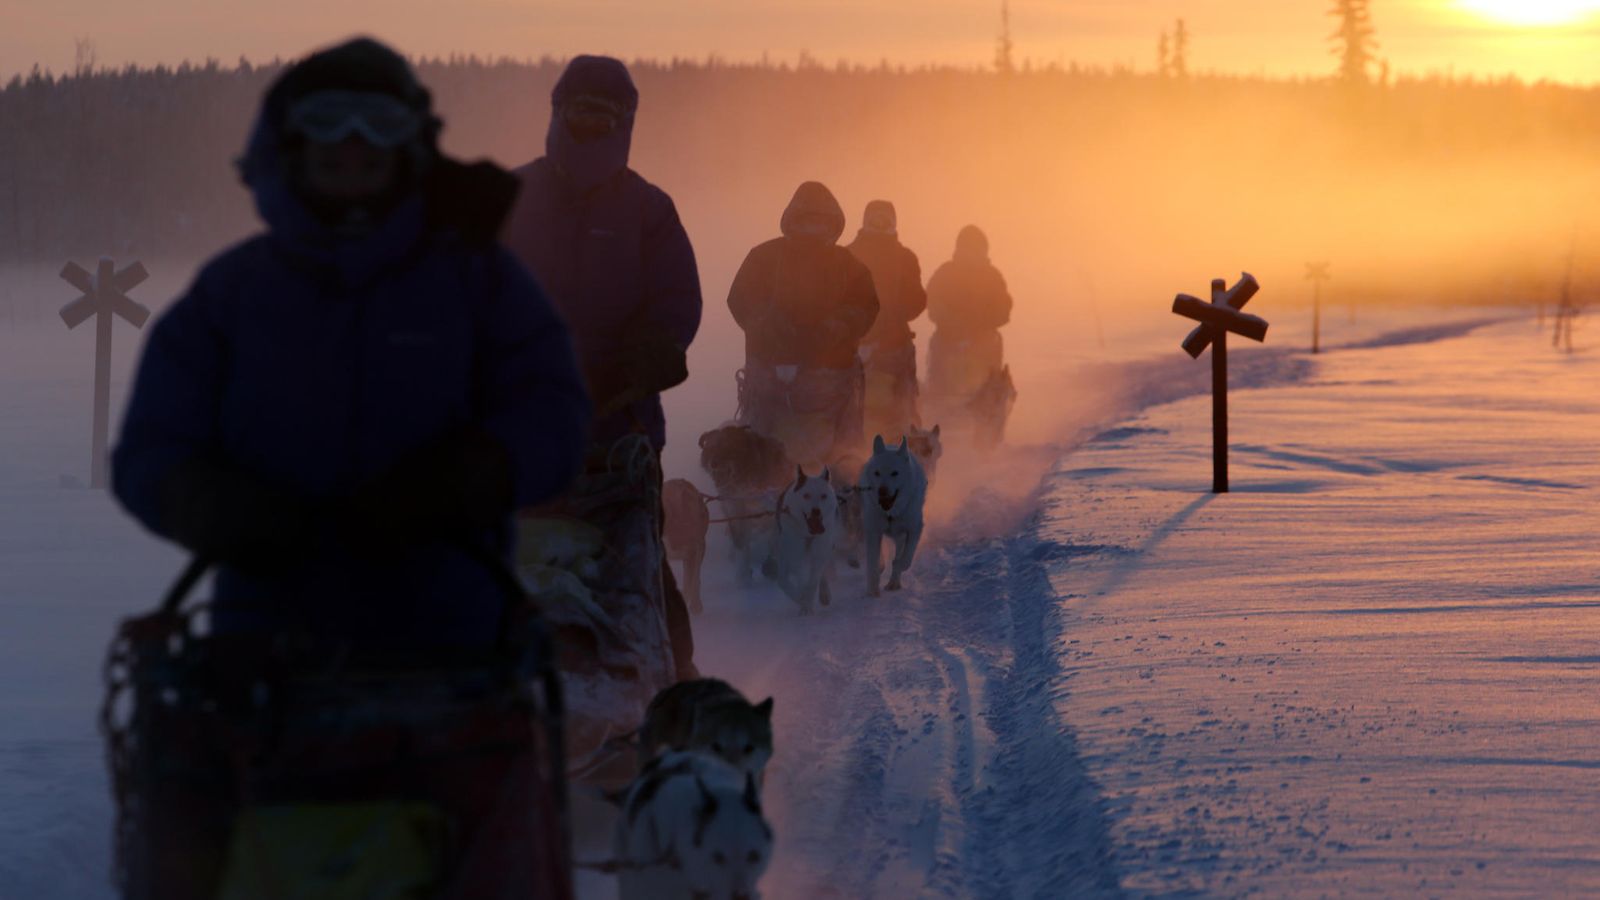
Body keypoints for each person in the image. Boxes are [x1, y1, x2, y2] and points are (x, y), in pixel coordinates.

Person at [111, 38, 589, 897]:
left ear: (411, 142)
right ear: (287, 145)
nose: (355, 143)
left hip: (451, 656)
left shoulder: (480, 282)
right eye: (328, 123)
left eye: (380, 122)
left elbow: (553, 415)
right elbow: (151, 451)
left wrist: (471, 474)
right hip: (265, 662)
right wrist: (216, 507)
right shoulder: (231, 293)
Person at [502, 55, 703, 681]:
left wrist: (649, 354)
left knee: (639, 580)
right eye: (578, 112)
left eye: (603, 115)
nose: (589, 125)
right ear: (557, 114)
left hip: (620, 434)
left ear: (625, 122)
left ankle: (677, 696)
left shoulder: (649, 210)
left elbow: (678, 303)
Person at [727, 181, 879, 468]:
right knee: (760, 443)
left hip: (830, 376)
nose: (814, 226)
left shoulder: (847, 263)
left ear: (833, 224)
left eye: (821, 220)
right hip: (769, 372)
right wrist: (765, 322)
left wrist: (840, 324)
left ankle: (844, 490)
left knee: (841, 452)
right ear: (792, 220)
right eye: (807, 219)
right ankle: (755, 492)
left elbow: (867, 305)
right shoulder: (764, 256)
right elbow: (740, 299)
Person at [846, 199, 926, 443]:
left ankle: (906, 453)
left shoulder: (905, 258)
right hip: (852, 347)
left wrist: (896, 313)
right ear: (865, 220)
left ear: (893, 222)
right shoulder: (847, 255)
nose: (880, 223)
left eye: (885, 218)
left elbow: (916, 302)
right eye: (875, 218)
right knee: (849, 404)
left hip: (894, 346)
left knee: (903, 405)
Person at [924, 224, 1013, 429]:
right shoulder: (946, 272)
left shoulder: (992, 276)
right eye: (967, 247)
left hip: (983, 340)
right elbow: (932, 299)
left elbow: (1004, 306)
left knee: (995, 381)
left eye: (976, 247)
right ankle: (935, 414)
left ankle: (992, 419)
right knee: (936, 370)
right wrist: (950, 321)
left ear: (984, 250)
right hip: (948, 338)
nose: (971, 252)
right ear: (959, 248)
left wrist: (984, 321)